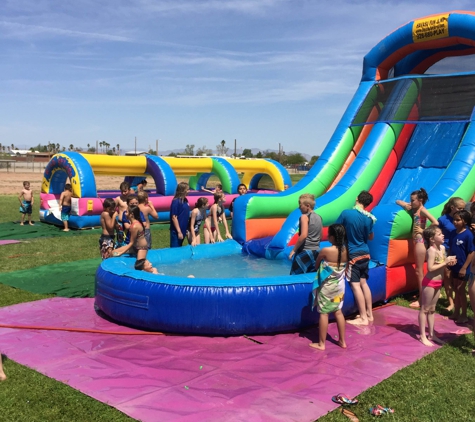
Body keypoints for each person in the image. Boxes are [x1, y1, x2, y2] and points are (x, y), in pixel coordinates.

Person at [337, 190, 375, 325]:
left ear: (357, 198)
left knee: (355, 285)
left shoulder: (346, 213)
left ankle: (363, 318)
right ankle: (370, 314)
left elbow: (337, 230)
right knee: (364, 283)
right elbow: (370, 236)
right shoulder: (369, 218)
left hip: (354, 254)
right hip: (366, 253)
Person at [396, 188, 439, 308]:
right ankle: (425, 295)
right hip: (417, 242)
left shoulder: (422, 210)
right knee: (420, 271)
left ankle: (422, 300)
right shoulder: (415, 208)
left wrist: (424, 230)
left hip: (420, 242)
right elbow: (398, 201)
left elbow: (435, 222)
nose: (411, 202)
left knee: (419, 271)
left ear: (420, 200)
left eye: (412, 200)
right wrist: (404, 204)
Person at [309, 224, 348, 351]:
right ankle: (342, 341)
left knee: (324, 313)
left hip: (327, 287)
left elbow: (316, 266)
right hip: (340, 286)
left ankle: (321, 343)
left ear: (332, 237)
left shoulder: (326, 250)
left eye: (328, 234)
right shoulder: (346, 250)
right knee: (338, 311)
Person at [419, 226, 456, 346]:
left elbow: (440, 264)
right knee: (424, 309)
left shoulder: (442, 248)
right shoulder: (431, 250)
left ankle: (431, 334)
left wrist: (449, 262)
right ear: (432, 239)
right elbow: (430, 268)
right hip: (429, 283)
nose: (443, 235)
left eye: (442, 234)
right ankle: (422, 336)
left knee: (432, 309)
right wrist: (445, 262)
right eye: (439, 234)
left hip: (438, 282)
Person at [438, 197, 466, 311]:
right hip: (446, 249)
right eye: (459, 208)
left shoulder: (462, 218)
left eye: (463, 208)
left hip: (458, 250)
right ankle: (451, 302)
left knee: (458, 277)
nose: (461, 210)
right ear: (452, 207)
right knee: (448, 276)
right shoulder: (443, 220)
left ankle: (459, 300)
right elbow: (436, 232)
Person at [449, 210, 475, 324]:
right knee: (456, 289)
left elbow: (471, 252)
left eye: (458, 220)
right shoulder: (453, 233)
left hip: (463, 268)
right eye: (454, 219)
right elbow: (451, 248)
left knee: (460, 290)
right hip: (454, 266)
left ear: (465, 221)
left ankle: (464, 314)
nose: (455, 222)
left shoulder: (468, 235)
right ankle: (456, 312)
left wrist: (464, 268)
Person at [289, 193, 322, 275]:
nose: (299, 207)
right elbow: (320, 236)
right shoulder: (319, 217)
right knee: (311, 277)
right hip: (316, 251)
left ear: (307, 206)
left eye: (300, 205)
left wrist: (294, 250)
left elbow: (303, 235)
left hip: (305, 250)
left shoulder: (304, 217)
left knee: (294, 277)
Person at [170, 182, 190, 247]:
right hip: (176, 231)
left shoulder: (185, 200)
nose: (189, 191)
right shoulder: (176, 201)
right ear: (183, 191)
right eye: (187, 189)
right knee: (175, 249)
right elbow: (174, 217)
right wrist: (179, 231)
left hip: (184, 229)